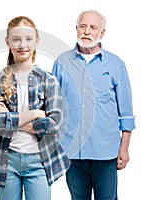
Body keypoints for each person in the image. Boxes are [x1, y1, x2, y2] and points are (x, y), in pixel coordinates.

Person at [52, 10, 136, 200]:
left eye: (93, 27)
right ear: (76, 29)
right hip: (72, 151)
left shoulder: (115, 65)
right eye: (83, 26)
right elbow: (54, 107)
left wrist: (124, 148)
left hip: (105, 152)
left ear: (102, 33)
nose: (87, 32)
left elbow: (126, 112)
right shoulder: (62, 62)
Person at [0, 16, 70, 200]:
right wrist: (34, 114)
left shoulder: (48, 80)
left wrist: (10, 116)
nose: (22, 44)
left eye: (28, 39)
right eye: (16, 39)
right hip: (7, 160)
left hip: (39, 160)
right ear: (8, 42)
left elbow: (55, 124)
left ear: (36, 41)